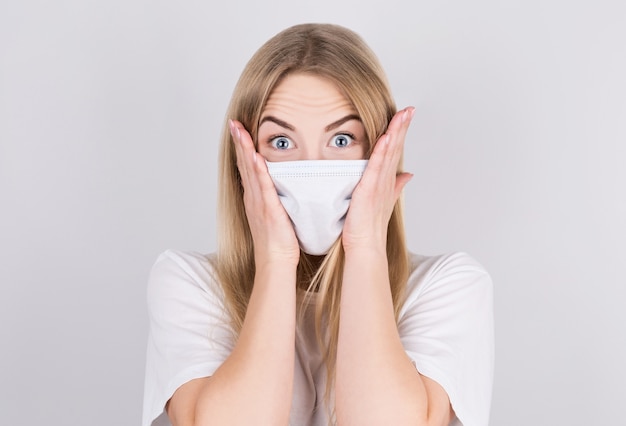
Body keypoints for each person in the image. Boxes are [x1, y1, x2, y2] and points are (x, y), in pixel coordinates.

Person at [142, 23, 494, 426]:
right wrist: (275, 259)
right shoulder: (190, 283)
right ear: (242, 162)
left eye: (342, 140)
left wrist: (363, 246)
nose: (314, 168)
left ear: (382, 149)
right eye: (281, 142)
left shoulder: (448, 287)